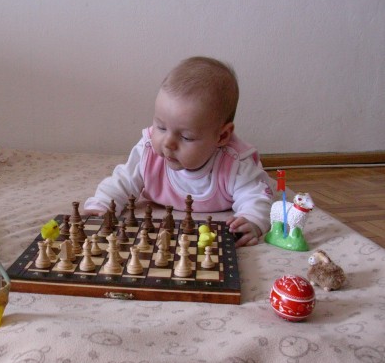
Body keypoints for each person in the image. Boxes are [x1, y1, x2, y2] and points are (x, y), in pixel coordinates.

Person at [84, 57, 273, 246]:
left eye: (187, 137)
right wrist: (103, 204)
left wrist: (253, 220)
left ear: (222, 136)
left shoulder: (235, 164)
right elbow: (123, 180)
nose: (168, 143)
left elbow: (256, 197)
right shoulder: (148, 151)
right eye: (161, 127)